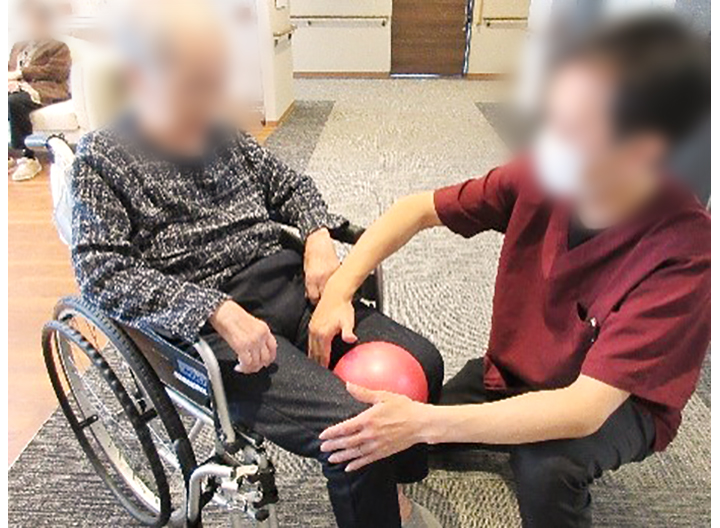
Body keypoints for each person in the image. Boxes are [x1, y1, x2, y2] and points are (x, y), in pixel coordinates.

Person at [311, 15, 710, 528]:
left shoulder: (684, 250)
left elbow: (584, 409)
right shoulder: (546, 173)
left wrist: (426, 424)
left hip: (616, 401)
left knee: (546, 464)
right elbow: (415, 209)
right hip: (515, 374)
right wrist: (340, 289)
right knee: (407, 413)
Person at [69, 1, 443, 527]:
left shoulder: (220, 132)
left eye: (214, 80)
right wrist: (213, 308)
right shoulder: (100, 160)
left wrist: (316, 237)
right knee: (357, 431)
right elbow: (100, 274)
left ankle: (390, 488)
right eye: (193, 84)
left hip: (285, 282)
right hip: (214, 328)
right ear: (138, 77)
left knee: (423, 362)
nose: (210, 100)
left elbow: (292, 186)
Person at [8, 0, 71, 181]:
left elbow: (56, 72)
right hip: (17, 88)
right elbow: (9, 70)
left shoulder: (58, 47)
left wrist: (20, 74)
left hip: (47, 90)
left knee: (14, 102)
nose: (30, 26)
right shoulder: (18, 46)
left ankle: (28, 157)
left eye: (34, 21)